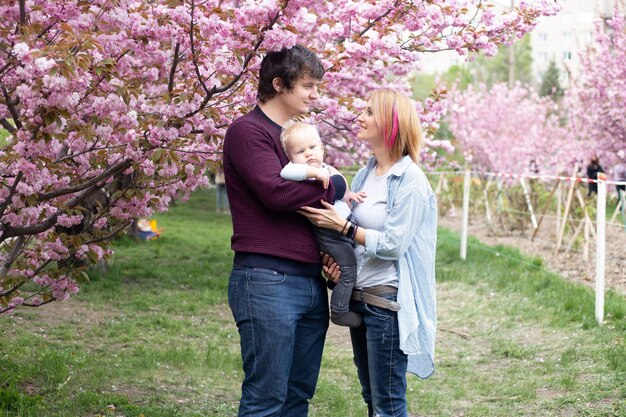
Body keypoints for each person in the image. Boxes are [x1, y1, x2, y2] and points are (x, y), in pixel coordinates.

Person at [299, 89, 438, 417]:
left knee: (388, 404)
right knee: (372, 398)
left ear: (391, 123)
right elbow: (355, 236)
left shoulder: (410, 182)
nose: (359, 117)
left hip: (385, 306)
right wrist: (337, 264)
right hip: (360, 299)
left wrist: (344, 229)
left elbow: (393, 245)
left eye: (369, 112)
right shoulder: (365, 174)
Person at [222, 45, 337, 417]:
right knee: (266, 399)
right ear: (279, 84)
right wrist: (331, 182)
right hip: (266, 279)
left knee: (296, 398)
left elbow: (323, 196)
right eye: (308, 85)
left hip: (309, 281)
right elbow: (275, 193)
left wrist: (331, 185)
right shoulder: (248, 132)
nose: (315, 94)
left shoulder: (299, 139)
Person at [280, 121, 367, 327]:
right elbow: (285, 173)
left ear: (321, 147)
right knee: (348, 271)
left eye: (312, 147)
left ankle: (353, 298)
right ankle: (339, 312)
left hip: (345, 225)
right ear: (291, 157)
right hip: (330, 234)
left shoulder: (327, 168)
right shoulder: (297, 171)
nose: (308, 154)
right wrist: (313, 173)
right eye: (300, 151)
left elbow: (340, 184)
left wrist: (349, 194)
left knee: (351, 263)